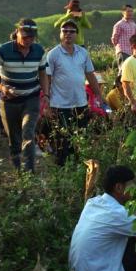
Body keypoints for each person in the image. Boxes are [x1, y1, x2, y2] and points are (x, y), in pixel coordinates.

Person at [0, 19, 48, 171]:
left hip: (31, 98)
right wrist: (1, 87)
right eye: (25, 36)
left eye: (31, 37)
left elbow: (42, 73)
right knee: (14, 139)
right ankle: (18, 171)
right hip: (9, 101)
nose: (28, 40)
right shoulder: (3, 50)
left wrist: (46, 94)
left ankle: (30, 170)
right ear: (17, 33)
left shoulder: (39, 51)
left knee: (28, 132)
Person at [43, 20, 101, 166]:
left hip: (80, 104)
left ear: (77, 34)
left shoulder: (83, 53)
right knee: (62, 141)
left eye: (71, 31)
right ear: (60, 34)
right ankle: (61, 171)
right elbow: (47, 79)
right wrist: (47, 103)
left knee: (80, 139)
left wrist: (99, 95)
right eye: (65, 31)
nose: (68, 34)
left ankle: (77, 168)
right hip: (60, 104)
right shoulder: (53, 54)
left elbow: (90, 76)